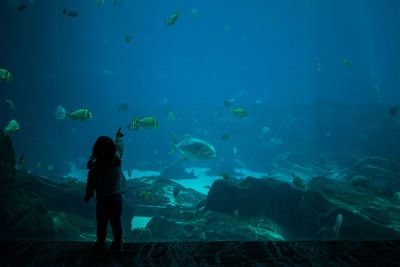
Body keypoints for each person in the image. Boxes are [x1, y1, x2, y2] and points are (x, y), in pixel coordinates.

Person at [84, 128, 126, 252]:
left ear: (95, 151)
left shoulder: (96, 166)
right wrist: (118, 139)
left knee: (102, 223)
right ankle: (118, 243)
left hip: (103, 200)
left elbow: (90, 183)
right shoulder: (116, 160)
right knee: (116, 223)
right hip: (116, 199)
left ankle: (100, 244)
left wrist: (88, 195)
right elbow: (120, 149)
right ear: (112, 150)